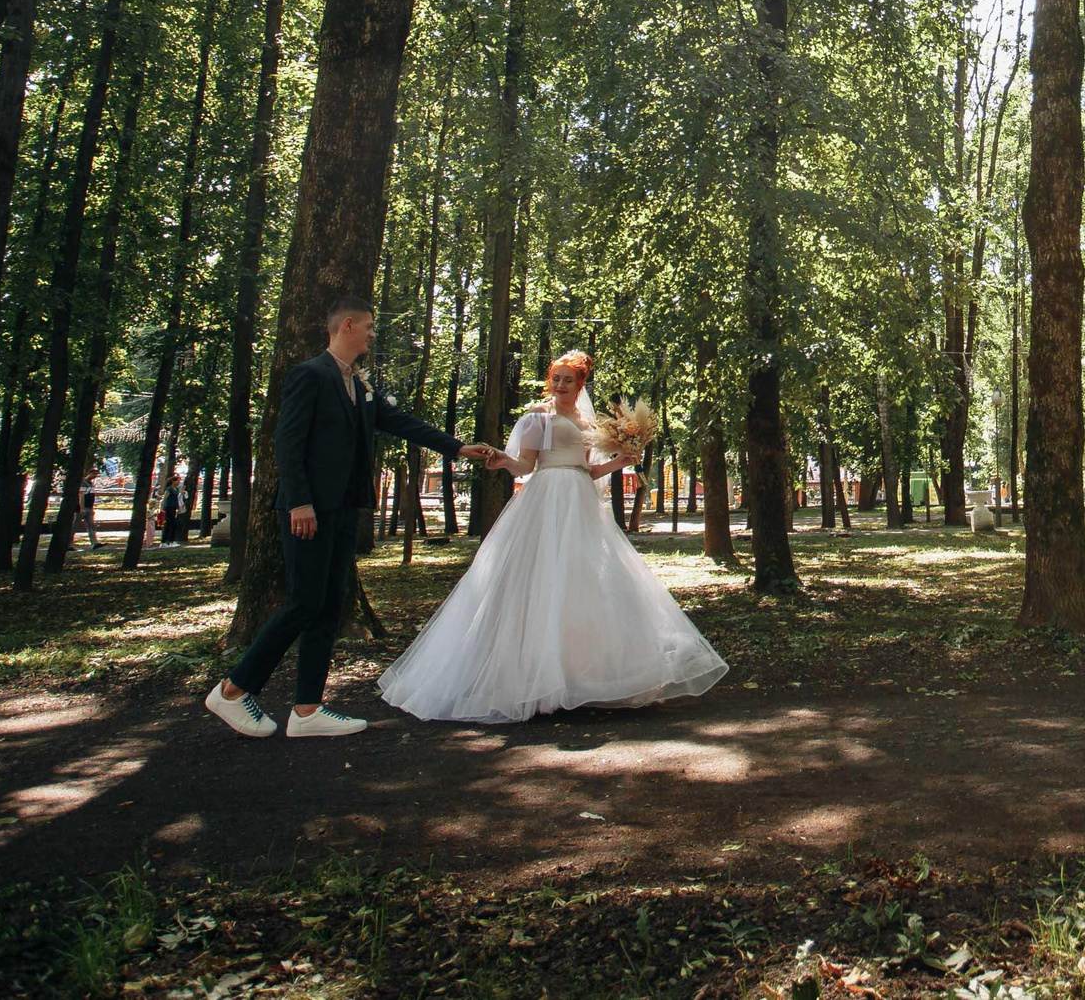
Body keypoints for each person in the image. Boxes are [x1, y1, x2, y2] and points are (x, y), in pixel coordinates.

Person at [206, 297, 504, 740]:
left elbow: (402, 422)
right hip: (309, 511)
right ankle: (233, 689)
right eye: (367, 327)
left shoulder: (360, 385)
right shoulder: (310, 375)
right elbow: (287, 444)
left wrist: (460, 449)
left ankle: (307, 710)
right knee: (304, 602)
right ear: (347, 325)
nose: (371, 335)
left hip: (345, 509)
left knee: (328, 605)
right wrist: (300, 503)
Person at [378, 350, 728, 724]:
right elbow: (525, 466)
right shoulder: (537, 418)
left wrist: (619, 462)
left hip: (579, 498)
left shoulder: (587, 422)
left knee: (582, 580)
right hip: (547, 499)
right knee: (539, 577)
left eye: (568, 380)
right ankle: (534, 678)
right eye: (555, 378)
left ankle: (584, 676)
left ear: (580, 385)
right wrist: (502, 460)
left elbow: (586, 470)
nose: (560, 385)